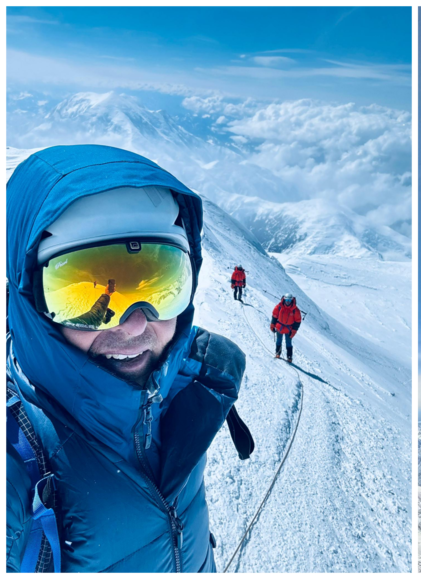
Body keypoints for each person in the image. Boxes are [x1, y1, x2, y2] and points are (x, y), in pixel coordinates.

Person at [4, 145, 253, 575]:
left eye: (160, 283)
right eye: (81, 293)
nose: (137, 325)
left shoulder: (183, 383)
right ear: (29, 299)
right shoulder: (18, 464)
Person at [270, 293, 302, 363]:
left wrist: (294, 331)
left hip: (289, 329)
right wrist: (272, 325)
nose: (287, 302)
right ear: (284, 299)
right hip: (279, 327)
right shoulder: (279, 307)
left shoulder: (295, 310)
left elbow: (297, 321)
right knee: (279, 341)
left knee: (289, 343)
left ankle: (289, 357)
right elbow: (274, 316)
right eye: (286, 300)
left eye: (289, 300)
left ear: (292, 300)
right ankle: (278, 353)